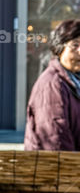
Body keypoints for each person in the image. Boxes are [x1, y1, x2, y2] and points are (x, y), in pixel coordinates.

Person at [25, 20, 80, 151]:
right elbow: (55, 141)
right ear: (59, 48)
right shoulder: (52, 85)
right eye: (75, 45)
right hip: (57, 168)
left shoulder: (74, 80)